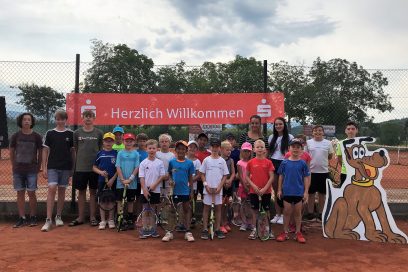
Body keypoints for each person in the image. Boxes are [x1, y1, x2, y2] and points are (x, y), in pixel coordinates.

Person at [41, 110, 75, 232]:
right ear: (55, 120)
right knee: (52, 188)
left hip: (65, 167)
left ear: (66, 120)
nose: (60, 121)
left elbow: (73, 152)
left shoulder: (71, 134)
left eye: (62, 119)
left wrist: (72, 168)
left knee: (61, 190)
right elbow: (45, 151)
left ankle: (58, 216)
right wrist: (44, 167)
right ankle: (48, 219)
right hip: (52, 167)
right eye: (58, 119)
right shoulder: (50, 133)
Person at [69, 110, 103, 227]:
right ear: (82, 118)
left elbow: (100, 149)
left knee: (93, 192)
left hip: (94, 168)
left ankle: (93, 217)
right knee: (81, 192)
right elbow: (76, 149)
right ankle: (81, 217)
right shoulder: (77, 133)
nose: (88, 118)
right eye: (86, 116)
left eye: (90, 116)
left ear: (94, 118)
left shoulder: (99, 133)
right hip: (80, 168)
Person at [10, 112, 43, 228]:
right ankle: (22, 217)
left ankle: (33, 216)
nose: (27, 121)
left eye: (29, 119)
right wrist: (13, 165)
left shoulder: (37, 136)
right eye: (24, 119)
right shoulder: (15, 136)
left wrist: (39, 166)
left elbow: (40, 152)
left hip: (31, 170)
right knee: (20, 193)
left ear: (32, 122)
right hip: (18, 170)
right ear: (21, 121)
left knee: (31, 193)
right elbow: (12, 152)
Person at [276, 139, 310, 243]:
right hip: (287, 192)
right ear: (289, 149)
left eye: (298, 147)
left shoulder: (303, 163)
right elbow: (281, 176)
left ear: (301, 150)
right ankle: (285, 232)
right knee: (286, 212)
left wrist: (306, 192)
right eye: (293, 147)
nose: (295, 149)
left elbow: (306, 178)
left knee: (297, 213)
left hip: (299, 192)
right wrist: (279, 190)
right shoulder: (284, 163)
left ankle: (298, 233)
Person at [163, 141, 195, 242]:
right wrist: (171, 181)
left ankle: (188, 231)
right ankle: (169, 232)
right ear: (176, 150)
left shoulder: (190, 163)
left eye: (183, 149)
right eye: (179, 149)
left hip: (185, 191)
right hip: (174, 191)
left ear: (186, 151)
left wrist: (191, 191)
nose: (181, 150)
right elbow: (170, 175)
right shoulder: (172, 162)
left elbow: (190, 178)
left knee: (186, 210)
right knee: (172, 210)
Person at [199, 138, 229, 240]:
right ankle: (204, 229)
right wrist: (206, 185)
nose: (215, 148)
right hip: (207, 189)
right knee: (206, 208)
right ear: (210, 147)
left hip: (218, 190)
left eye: (217, 147)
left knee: (218, 209)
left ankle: (217, 229)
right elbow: (202, 174)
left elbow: (225, 176)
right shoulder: (206, 160)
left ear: (219, 148)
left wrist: (220, 187)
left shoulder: (222, 161)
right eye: (213, 146)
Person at [246, 140, 275, 240]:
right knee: (254, 211)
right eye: (257, 147)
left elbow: (271, 177)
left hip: (266, 192)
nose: (259, 149)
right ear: (254, 149)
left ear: (265, 150)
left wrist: (265, 188)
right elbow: (247, 177)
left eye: (261, 147)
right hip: (254, 191)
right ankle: (255, 229)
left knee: (266, 211)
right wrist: (253, 186)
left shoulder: (269, 162)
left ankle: (267, 229)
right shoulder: (250, 162)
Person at [268, 117, 294, 225]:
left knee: (283, 189)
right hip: (274, 163)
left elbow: (292, 152)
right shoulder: (271, 137)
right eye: (276, 124)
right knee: (275, 189)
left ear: (284, 125)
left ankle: (284, 214)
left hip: (285, 163)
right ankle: (277, 214)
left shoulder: (290, 137)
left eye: (280, 124)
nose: (278, 126)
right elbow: (270, 152)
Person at [306, 126, 334, 221]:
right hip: (311, 172)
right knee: (311, 193)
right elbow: (306, 156)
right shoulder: (308, 143)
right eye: (315, 130)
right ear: (312, 133)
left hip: (323, 172)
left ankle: (321, 213)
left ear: (323, 132)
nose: (317, 132)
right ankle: (310, 213)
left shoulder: (328, 143)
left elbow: (330, 156)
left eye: (320, 130)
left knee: (322, 194)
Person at [139, 139, 165, 238]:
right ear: (146, 149)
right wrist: (144, 190)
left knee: (153, 210)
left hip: (156, 190)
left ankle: (153, 229)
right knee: (145, 210)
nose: (152, 150)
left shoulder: (160, 163)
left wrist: (154, 185)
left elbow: (162, 176)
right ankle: (145, 229)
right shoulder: (143, 163)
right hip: (144, 191)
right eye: (149, 148)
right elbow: (141, 177)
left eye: (154, 148)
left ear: (157, 149)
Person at [93, 132, 118, 230]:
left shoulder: (116, 154)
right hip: (101, 181)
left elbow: (118, 169)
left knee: (112, 200)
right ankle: (103, 220)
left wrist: (112, 179)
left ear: (113, 142)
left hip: (113, 181)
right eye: (106, 141)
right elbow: (94, 167)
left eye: (110, 141)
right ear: (103, 142)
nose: (108, 142)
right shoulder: (100, 154)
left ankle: (111, 219)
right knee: (102, 200)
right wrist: (100, 172)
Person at [116, 133, 140, 231]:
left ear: (134, 142)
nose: (129, 143)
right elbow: (118, 166)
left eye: (131, 141)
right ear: (123, 141)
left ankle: (130, 219)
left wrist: (130, 179)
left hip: (132, 183)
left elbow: (137, 167)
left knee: (130, 201)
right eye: (127, 141)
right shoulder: (120, 153)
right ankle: (120, 219)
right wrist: (122, 179)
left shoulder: (136, 154)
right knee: (120, 201)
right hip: (120, 182)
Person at [336, 121, 359, 187]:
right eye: (348, 129)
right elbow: (339, 158)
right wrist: (346, 167)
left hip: (358, 173)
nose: (350, 131)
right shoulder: (340, 143)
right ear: (345, 131)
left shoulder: (361, 143)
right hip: (345, 173)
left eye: (353, 129)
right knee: (345, 194)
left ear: (356, 130)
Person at [220, 140, 235, 234]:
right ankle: (221, 224)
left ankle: (225, 223)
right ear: (221, 150)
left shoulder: (231, 160)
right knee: (221, 205)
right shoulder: (219, 160)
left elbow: (233, 173)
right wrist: (224, 181)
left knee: (226, 204)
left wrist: (230, 180)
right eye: (227, 150)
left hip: (229, 185)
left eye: (230, 150)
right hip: (221, 185)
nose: (229, 152)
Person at [237, 142, 252, 231]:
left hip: (251, 187)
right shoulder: (239, 163)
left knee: (250, 205)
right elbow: (240, 176)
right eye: (244, 151)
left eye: (248, 151)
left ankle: (250, 223)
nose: (246, 153)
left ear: (250, 152)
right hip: (242, 187)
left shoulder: (252, 162)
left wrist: (249, 185)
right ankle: (244, 223)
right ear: (241, 152)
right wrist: (245, 186)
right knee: (243, 204)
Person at [186, 140, 201, 227]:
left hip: (193, 187)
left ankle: (191, 218)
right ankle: (183, 220)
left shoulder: (197, 161)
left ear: (196, 149)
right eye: (190, 146)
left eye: (194, 147)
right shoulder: (182, 159)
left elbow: (198, 175)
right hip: (183, 186)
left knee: (191, 202)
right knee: (184, 203)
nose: (192, 148)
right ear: (187, 148)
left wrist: (190, 181)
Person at [195, 132, 211, 201]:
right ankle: (192, 211)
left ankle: (204, 211)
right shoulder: (193, 152)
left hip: (205, 179)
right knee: (193, 197)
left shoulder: (209, 153)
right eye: (201, 139)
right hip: (194, 180)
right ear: (197, 140)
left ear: (207, 142)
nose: (202, 141)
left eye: (204, 140)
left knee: (205, 198)